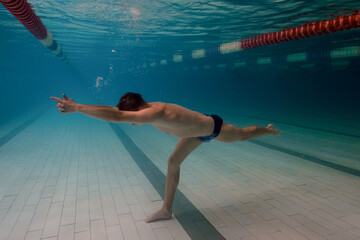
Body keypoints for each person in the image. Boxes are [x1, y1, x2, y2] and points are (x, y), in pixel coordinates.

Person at [50, 92, 281, 223]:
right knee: (173, 162)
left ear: (140, 110)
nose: (133, 122)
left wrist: (78, 108)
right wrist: (78, 105)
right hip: (194, 134)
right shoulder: (146, 108)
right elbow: (113, 109)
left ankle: (268, 129)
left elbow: (115, 116)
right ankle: (166, 210)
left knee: (242, 135)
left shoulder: (155, 112)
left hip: (212, 127)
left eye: (134, 118)